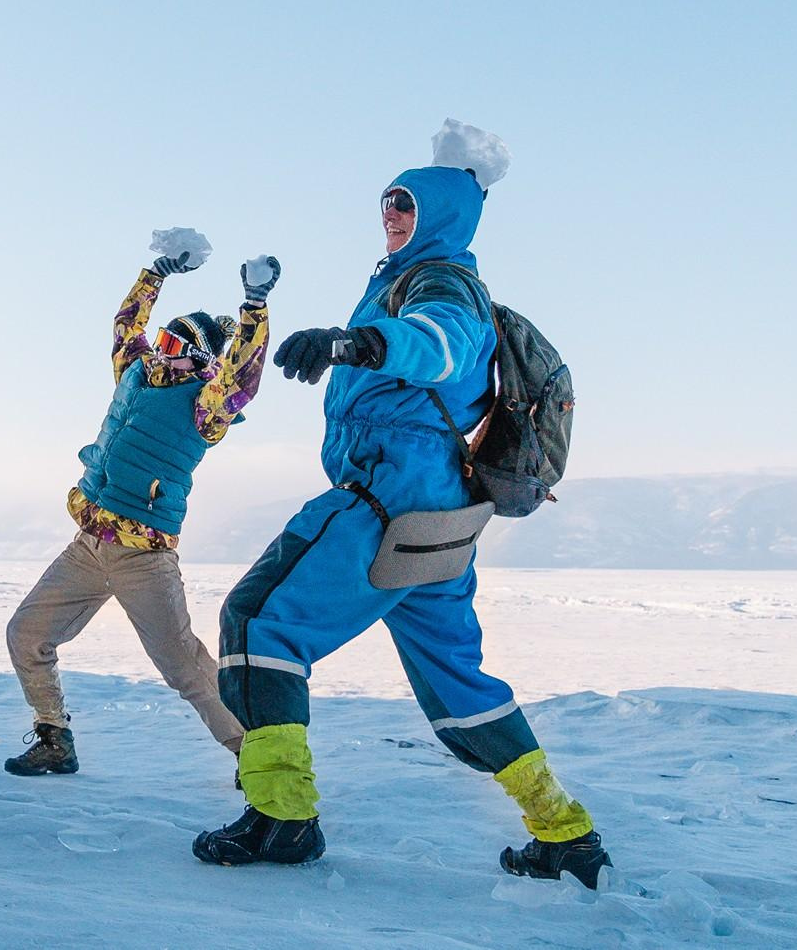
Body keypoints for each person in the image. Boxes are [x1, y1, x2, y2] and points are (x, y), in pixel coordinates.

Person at [202, 124, 611, 887]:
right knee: (460, 683)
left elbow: (442, 343)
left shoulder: (440, 280)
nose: (391, 213)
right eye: (387, 200)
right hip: (444, 511)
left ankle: (283, 816)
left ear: (443, 209)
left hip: (390, 489)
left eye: (406, 201)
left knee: (259, 622)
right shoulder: (427, 274)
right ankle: (565, 831)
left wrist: (360, 344)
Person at [1, 243, 279, 779]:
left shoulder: (205, 407)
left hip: (144, 557)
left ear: (199, 359)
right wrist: (155, 273)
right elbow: (127, 324)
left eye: (174, 343)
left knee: (184, 668)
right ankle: (53, 738)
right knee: (26, 633)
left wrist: (255, 305)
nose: (159, 348)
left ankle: (259, 759)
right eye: (164, 337)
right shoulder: (134, 373)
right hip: (89, 543)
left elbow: (242, 377)